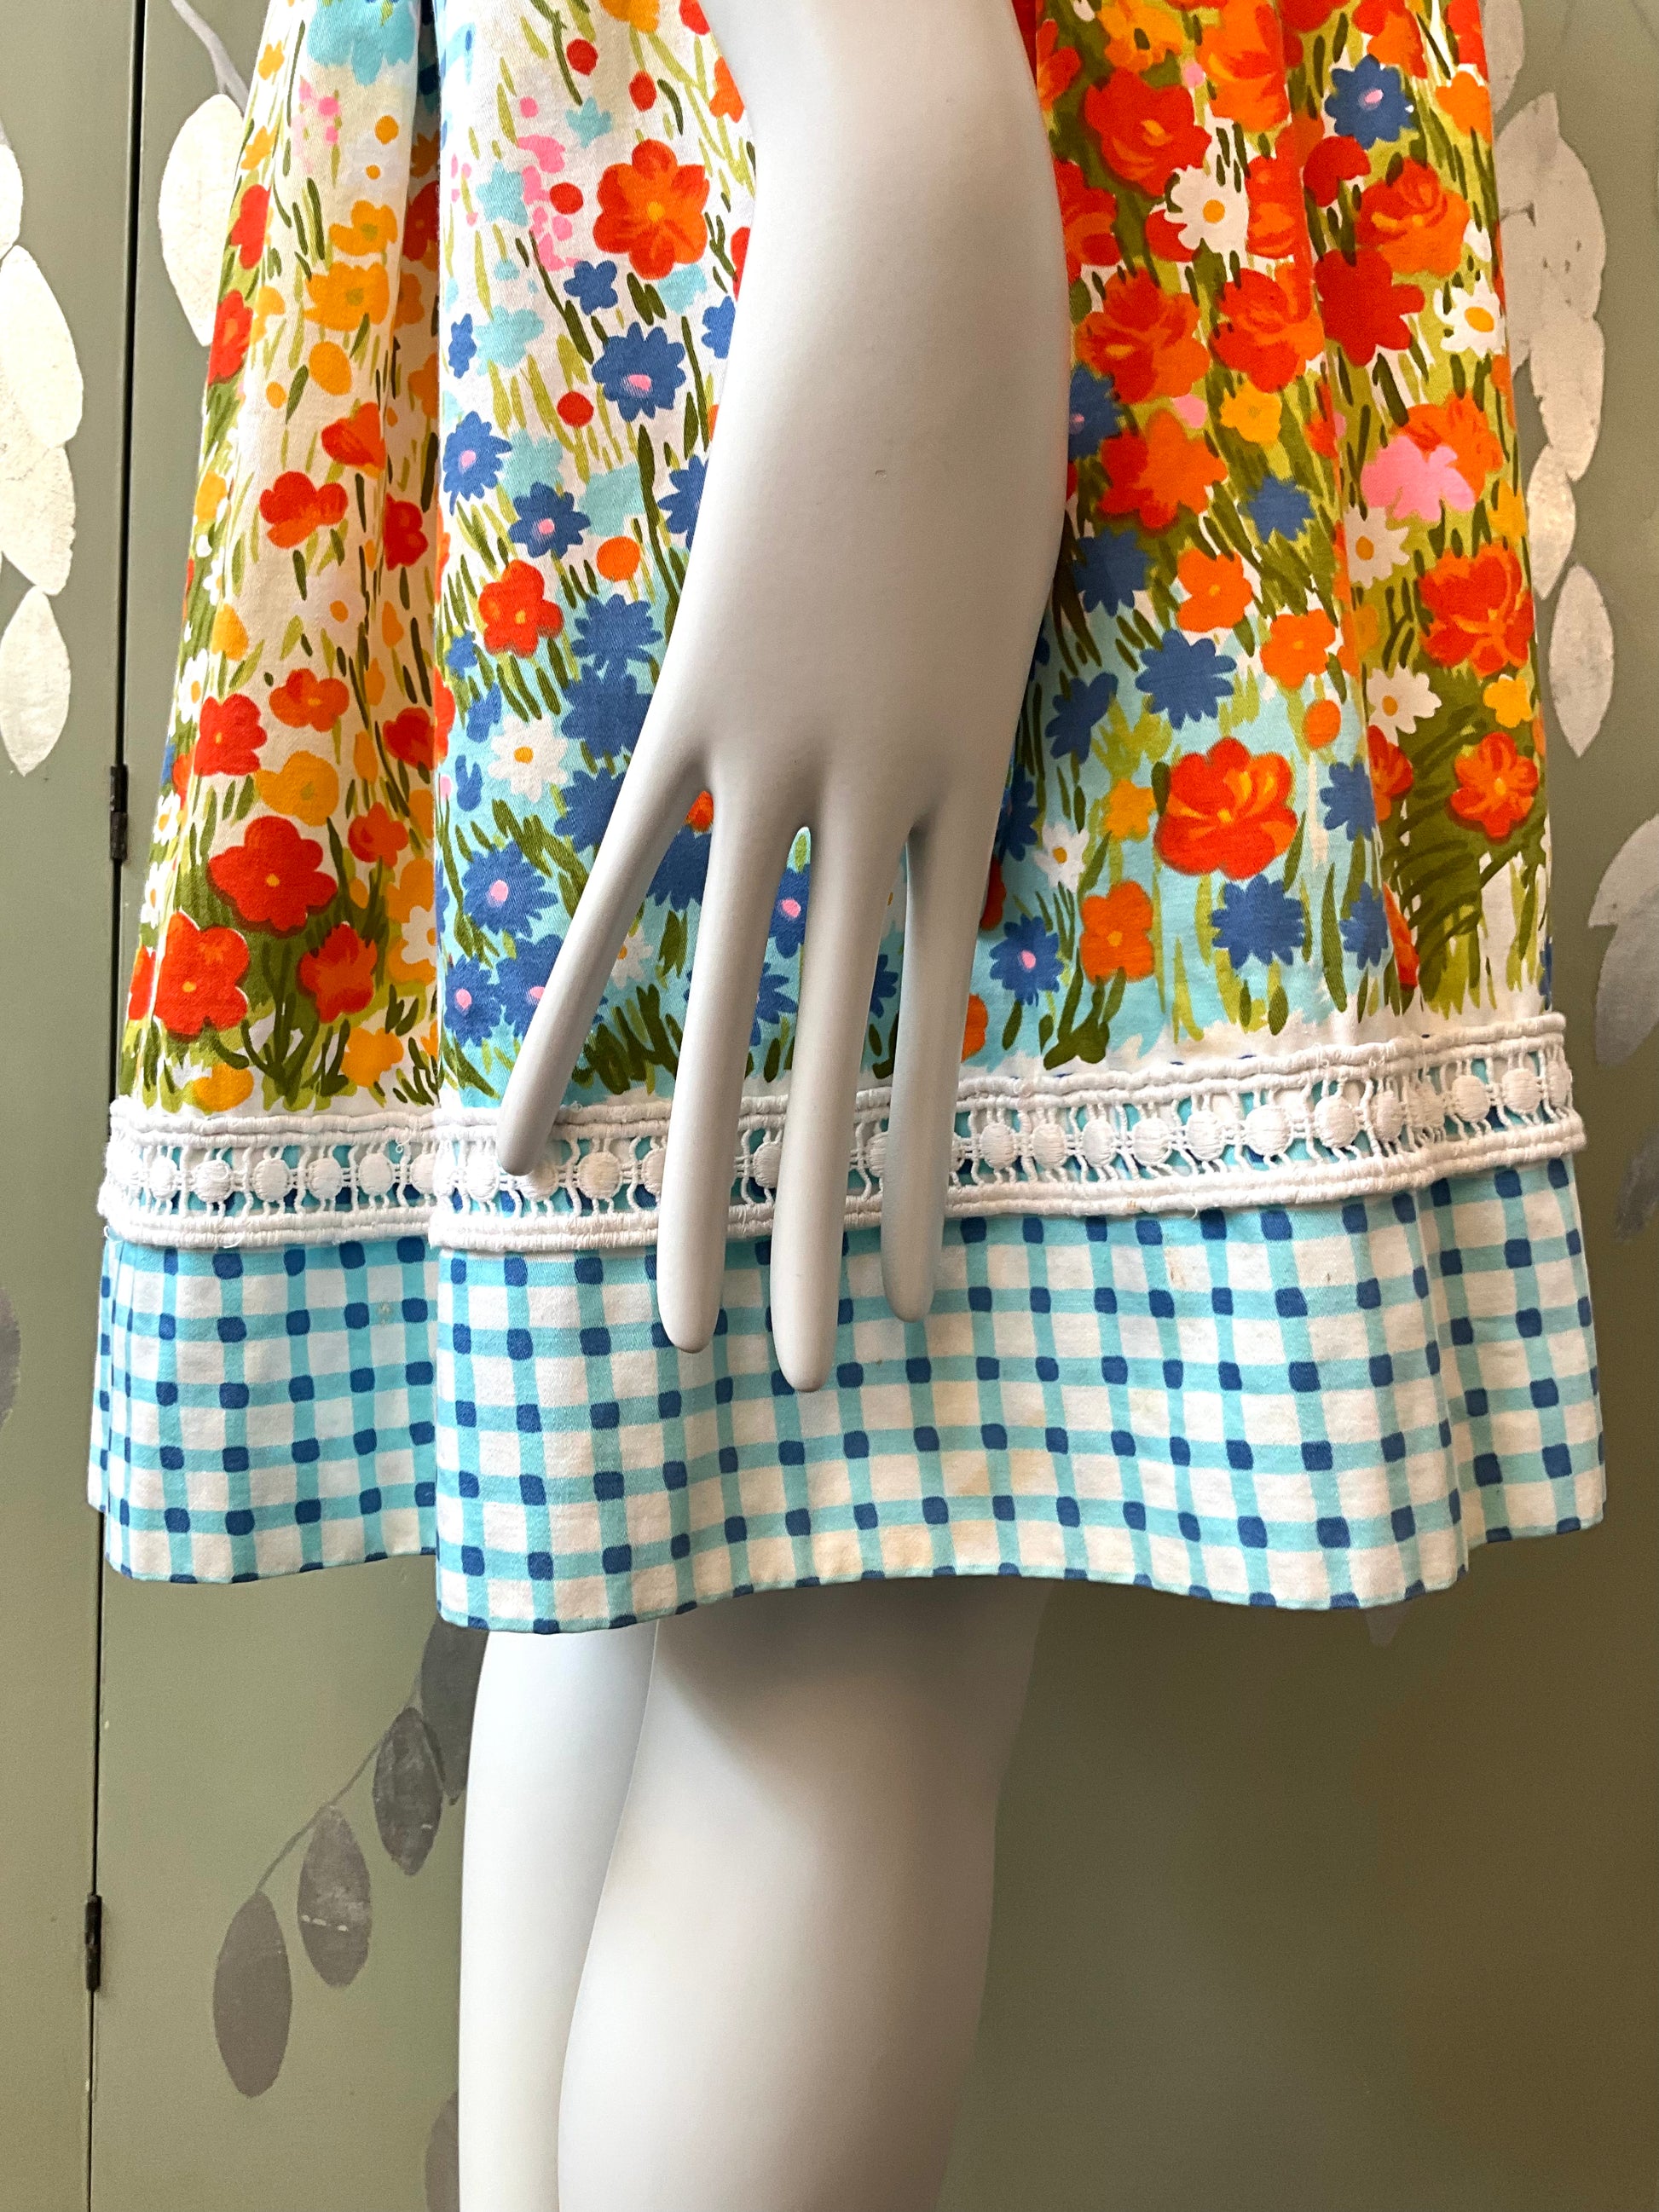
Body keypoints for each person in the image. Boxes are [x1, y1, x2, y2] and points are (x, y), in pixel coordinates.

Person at [90, 0, 1604, 2203]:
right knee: (838, 1621)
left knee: (672, 1553)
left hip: (806, 141)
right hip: (890, 145)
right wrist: (881, 107)